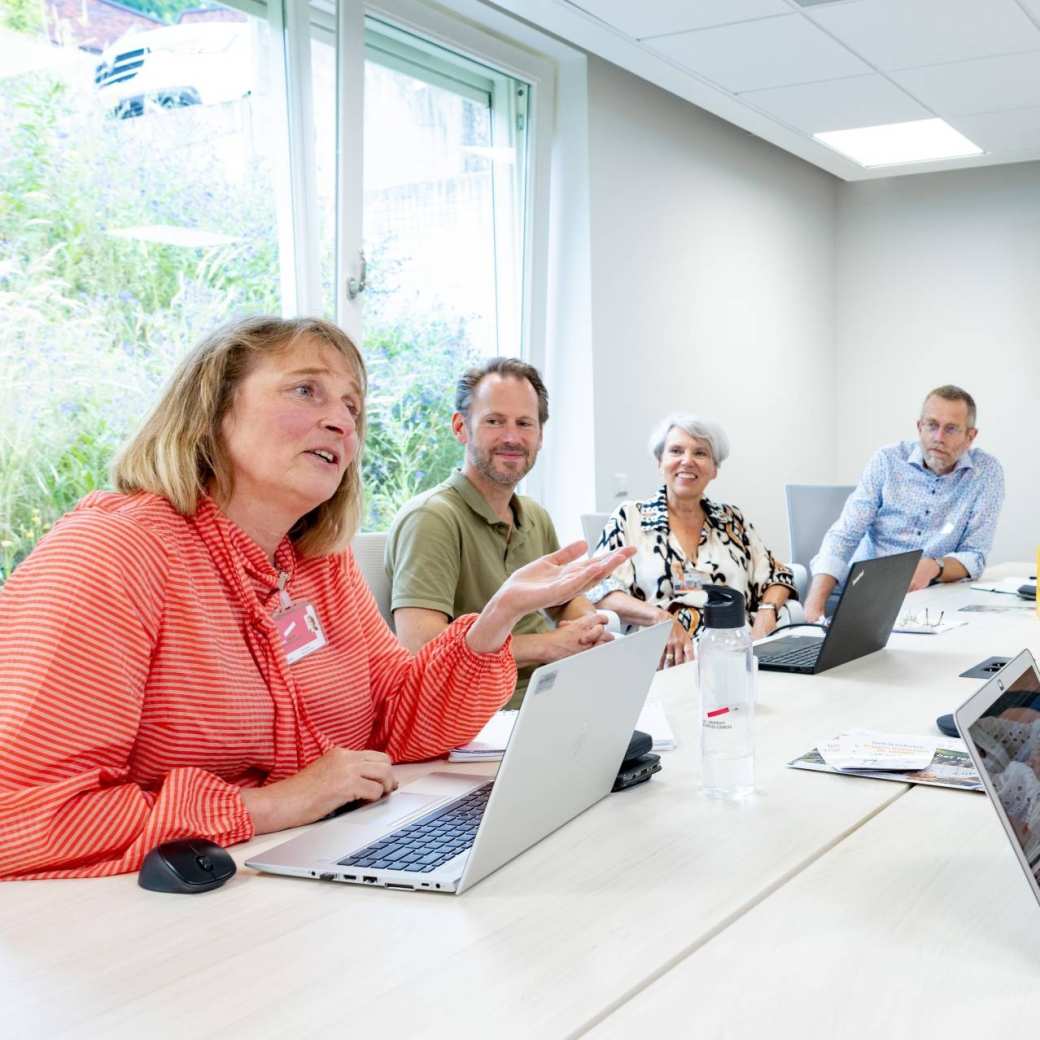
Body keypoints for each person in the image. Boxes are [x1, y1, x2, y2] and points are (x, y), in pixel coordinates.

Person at [0, 317, 632, 880]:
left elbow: (400, 723)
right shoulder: (113, 554)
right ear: (212, 411)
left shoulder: (317, 565)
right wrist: (274, 803)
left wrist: (493, 622)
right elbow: (23, 817)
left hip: (286, 883)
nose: (341, 421)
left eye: (352, 407)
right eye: (306, 390)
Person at [386, 358, 610, 709]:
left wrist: (588, 627)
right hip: (478, 719)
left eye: (525, 423)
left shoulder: (535, 516)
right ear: (460, 427)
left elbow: (565, 601)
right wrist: (549, 645)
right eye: (494, 421)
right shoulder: (431, 518)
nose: (512, 437)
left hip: (552, 699)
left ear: (539, 436)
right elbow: (421, 647)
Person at [588, 414, 797, 668]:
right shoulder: (630, 517)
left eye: (700, 453)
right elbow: (599, 590)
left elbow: (778, 575)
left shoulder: (732, 521)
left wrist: (767, 612)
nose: (687, 461)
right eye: (676, 451)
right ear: (660, 461)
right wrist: (660, 618)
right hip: (661, 657)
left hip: (737, 653)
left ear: (714, 469)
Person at [804, 385, 1004, 622]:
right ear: (919, 427)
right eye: (931, 425)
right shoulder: (887, 461)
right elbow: (844, 536)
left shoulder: (986, 473)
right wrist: (813, 607)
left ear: (970, 436)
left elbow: (975, 555)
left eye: (951, 429)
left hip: (932, 600)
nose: (938, 438)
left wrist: (935, 566)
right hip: (867, 593)